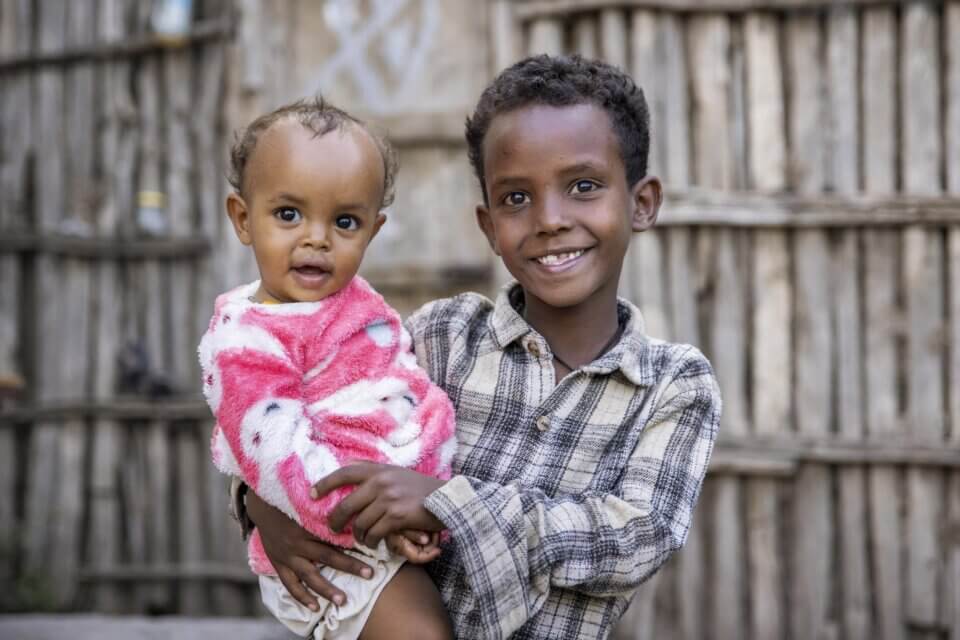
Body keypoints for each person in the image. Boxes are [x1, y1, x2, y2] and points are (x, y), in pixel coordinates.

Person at [240, 54, 722, 639]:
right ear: (489, 225)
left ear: (641, 203)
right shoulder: (442, 336)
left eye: (584, 186)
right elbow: (307, 416)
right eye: (516, 198)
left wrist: (447, 504)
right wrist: (257, 505)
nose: (549, 219)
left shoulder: (672, 385)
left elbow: (634, 537)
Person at [199, 97, 456, 640]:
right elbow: (277, 456)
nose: (316, 238)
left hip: (393, 524)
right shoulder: (246, 341)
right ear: (243, 219)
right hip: (338, 548)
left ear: (372, 230)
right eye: (289, 214)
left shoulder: (355, 303)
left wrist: (430, 499)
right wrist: (382, 524)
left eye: (343, 221)